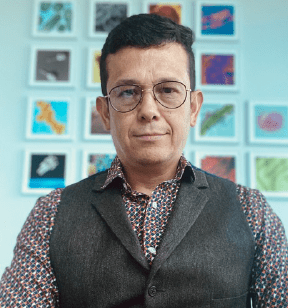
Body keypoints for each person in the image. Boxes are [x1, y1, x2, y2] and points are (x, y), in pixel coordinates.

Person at [0, 14, 287, 308]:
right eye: (127, 92)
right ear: (105, 113)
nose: (148, 110)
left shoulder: (252, 212)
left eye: (167, 90)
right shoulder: (51, 215)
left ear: (193, 107)